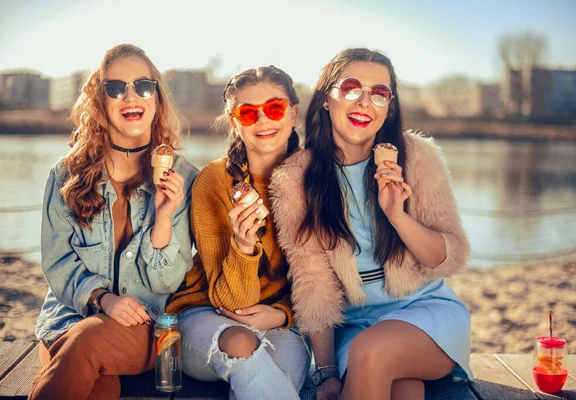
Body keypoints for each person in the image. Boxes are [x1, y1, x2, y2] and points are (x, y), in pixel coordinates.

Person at [270, 48, 473, 400]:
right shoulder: (295, 178)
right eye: (351, 87)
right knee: (403, 390)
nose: (365, 101)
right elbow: (313, 283)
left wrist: (398, 216)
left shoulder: (418, 158)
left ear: (389, 107)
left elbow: (448, 257)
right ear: (326, 99)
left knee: (372, 353)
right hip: (354, 326)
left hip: (425, 310)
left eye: (379, 92)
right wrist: (327, 372)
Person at [29, 44, 197, 399]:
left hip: (144, 325)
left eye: (143, 86)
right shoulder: (65, 175)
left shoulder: (184, 178)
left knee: (87, 343)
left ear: (157, 98)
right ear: (100, 101)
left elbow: (167, 280)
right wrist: (103, 299)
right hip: (67, 320)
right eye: (116, 88)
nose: (130, 96)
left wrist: (163, 217)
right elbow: (58, 264)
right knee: (98, 387)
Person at [165, 66, 311, 400]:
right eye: (247, 113)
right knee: (243, 345)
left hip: (279, 322)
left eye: (274, 108)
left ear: (293, 113)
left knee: (278, 382)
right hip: (204, 315)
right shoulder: (214, 181)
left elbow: (321, 282)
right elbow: (232, 301)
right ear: (234, 122)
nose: (263, 120)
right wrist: (244, 246)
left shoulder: (315, 180)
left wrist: (280, 314)